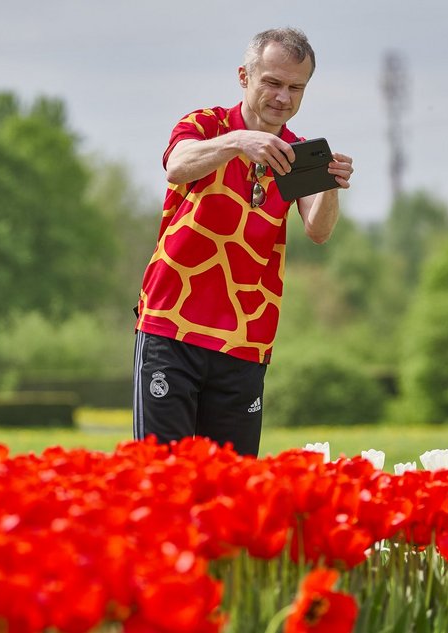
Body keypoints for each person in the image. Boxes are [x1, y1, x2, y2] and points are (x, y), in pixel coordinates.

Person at [132, 28, 354, 457]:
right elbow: (177, 167)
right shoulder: (206, 125)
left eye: (295, 88)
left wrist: (330, 186)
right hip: (170, 327)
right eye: (272, 82)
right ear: (243, 76)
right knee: (161, 478)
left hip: (245, 340)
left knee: (234, 490)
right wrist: (237, 142)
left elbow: (319, 230)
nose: (283, 98)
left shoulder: (297, 154)